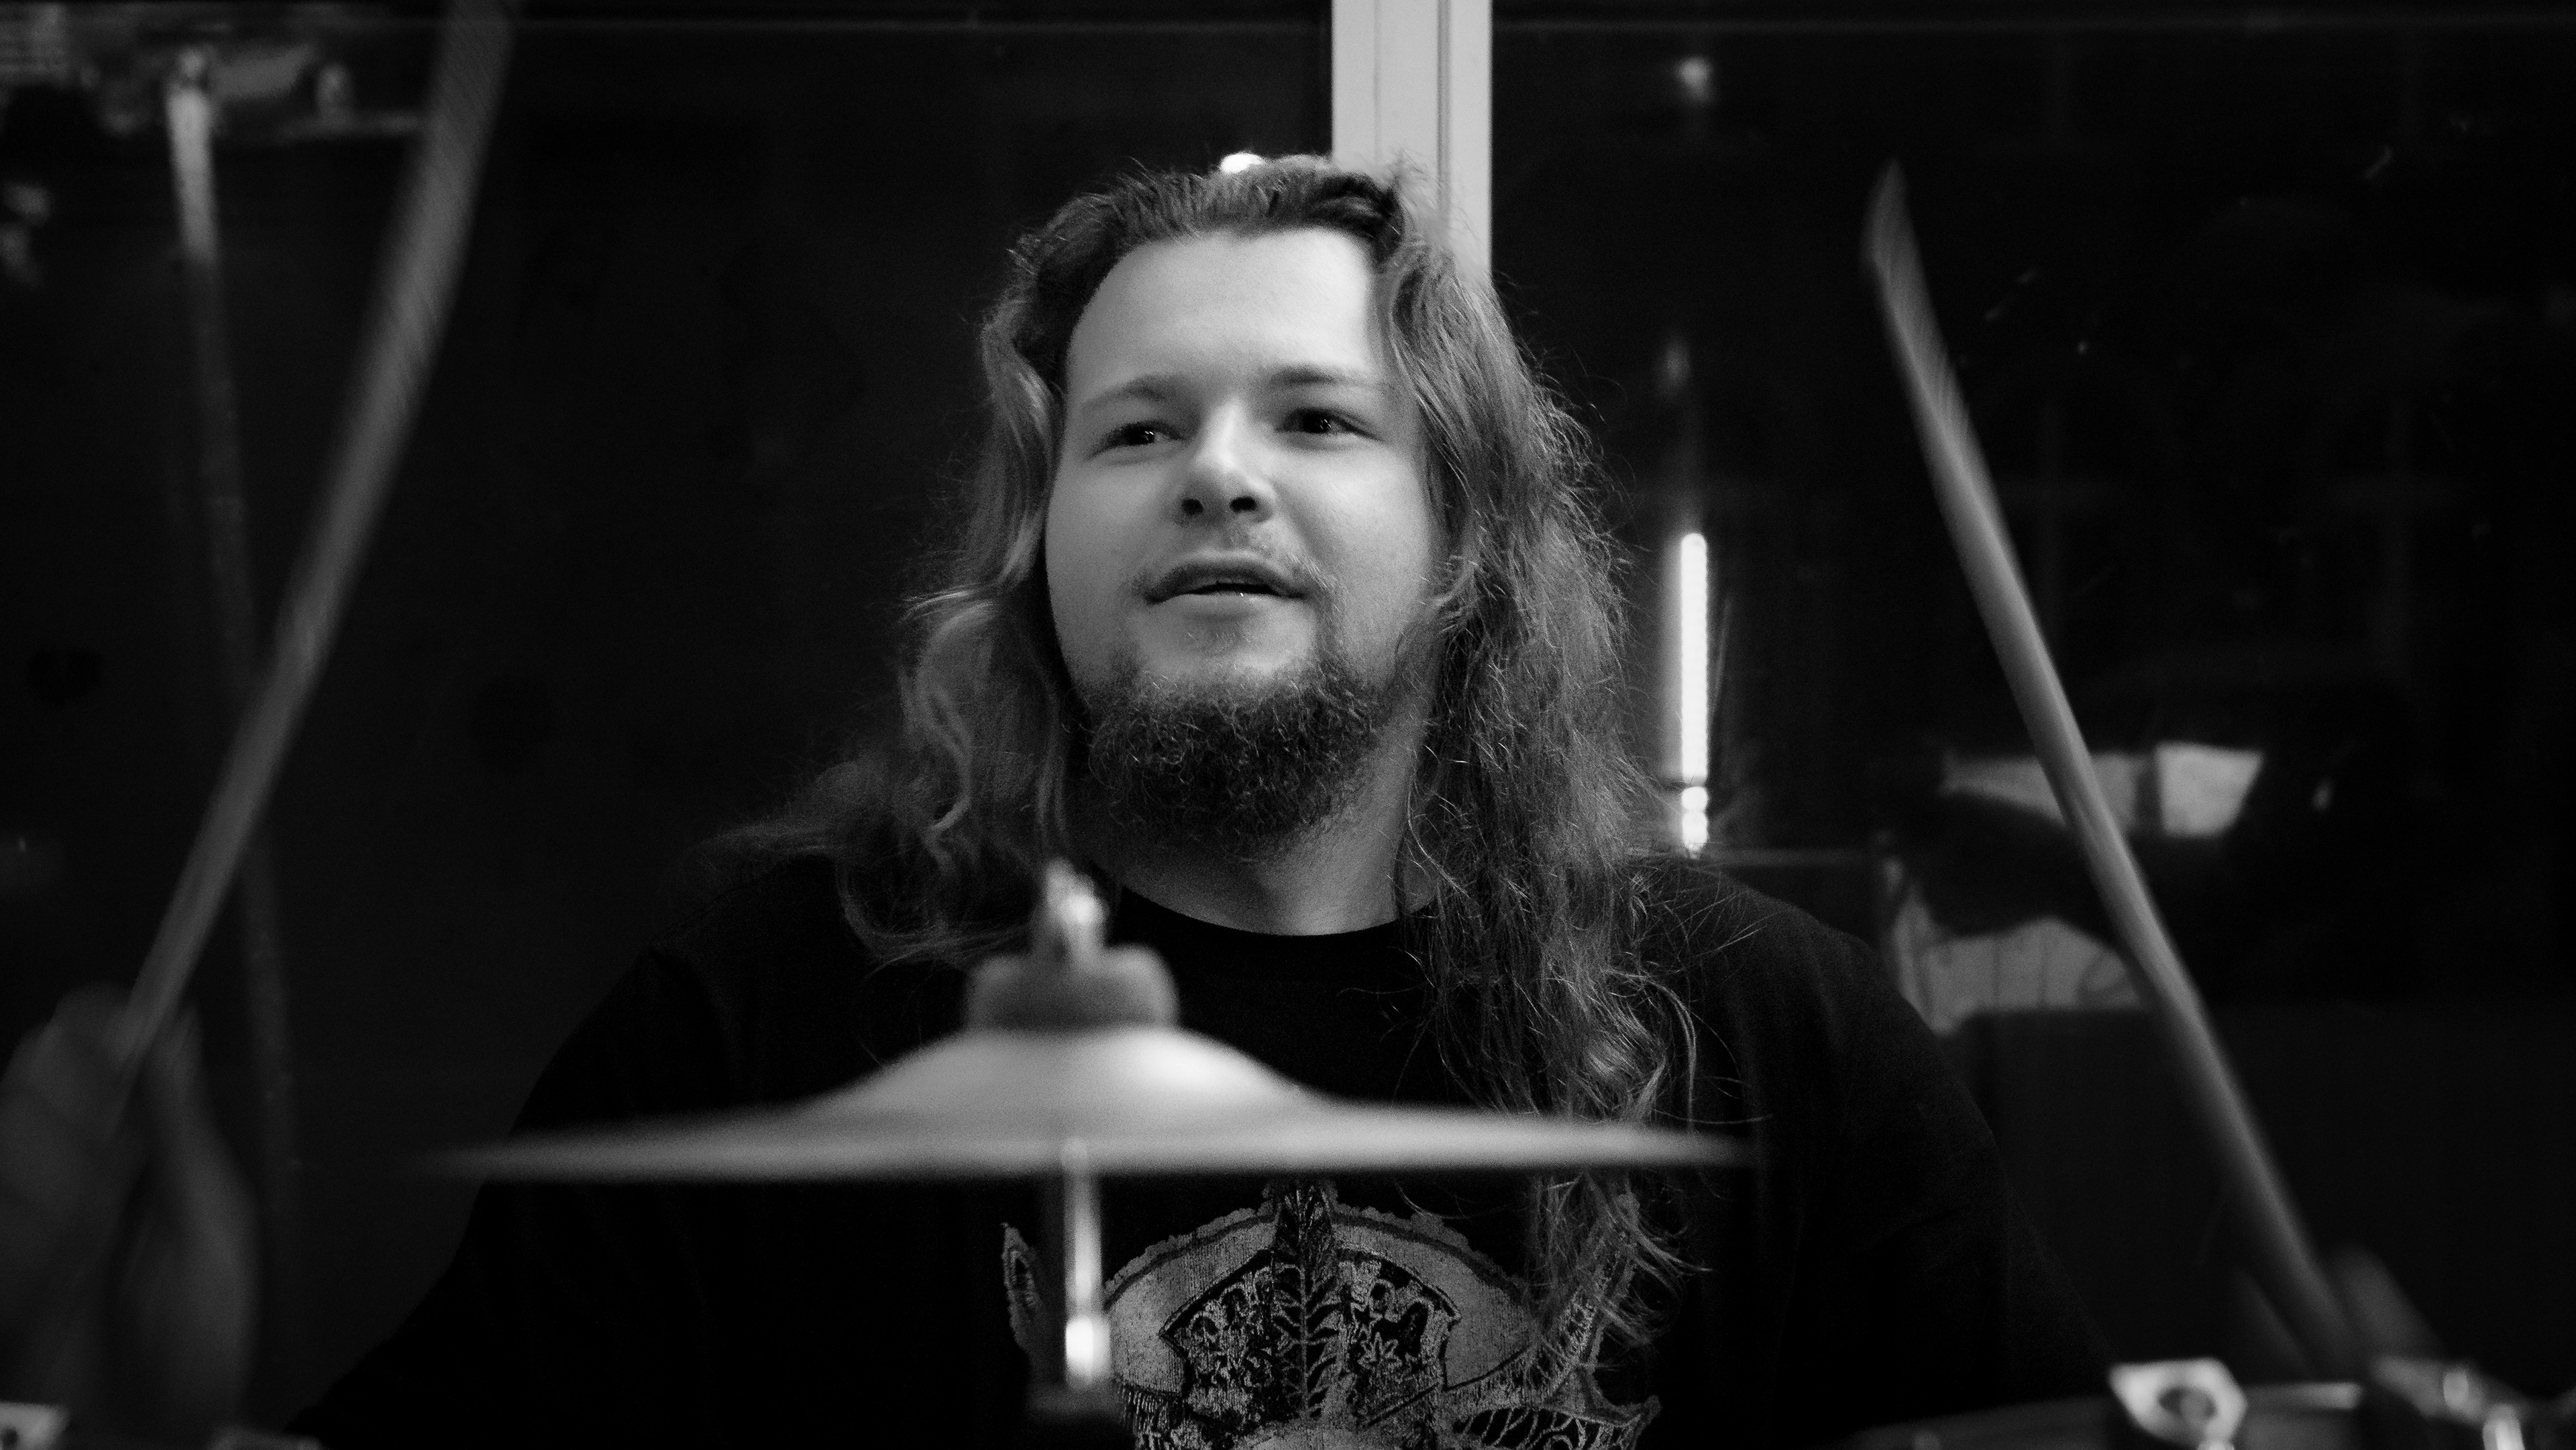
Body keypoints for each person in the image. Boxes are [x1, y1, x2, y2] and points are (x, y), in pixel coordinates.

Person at [0, 157, 2102, 1447]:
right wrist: (139, 1427)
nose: (1220, 472)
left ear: (1467, 546)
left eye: (1316, 417)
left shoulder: (1774, 1046)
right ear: (1039, 555)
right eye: (1136, 430)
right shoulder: (764, 1021)